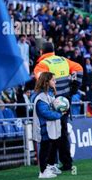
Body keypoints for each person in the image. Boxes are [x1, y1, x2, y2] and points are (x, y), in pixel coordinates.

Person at [34, 42, 83, 171]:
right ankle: (67, 163)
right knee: (62, 132)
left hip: (51, 103)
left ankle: (51, 164)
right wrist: (74, 88)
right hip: (64, 102)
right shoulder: (63, 60)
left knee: (51, 133)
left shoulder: (42, 65)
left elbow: (41, 81)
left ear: (41, 52)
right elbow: (79, 68)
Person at [32, 72, 64, 179]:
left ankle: (49, 167)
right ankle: (42, 171)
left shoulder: (48, 95)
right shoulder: (41, 97)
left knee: (50, 148)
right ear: (46, 82)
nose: (55, 82)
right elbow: (45, 113)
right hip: (43, 128)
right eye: (53, 80)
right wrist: (59, 114)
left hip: (50, 128)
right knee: (45, 149)